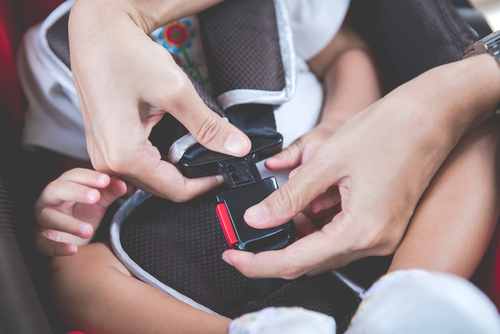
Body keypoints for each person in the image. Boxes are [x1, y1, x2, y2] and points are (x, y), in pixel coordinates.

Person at [22, 0, 500, 333]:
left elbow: (345, 53)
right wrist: (77, 204)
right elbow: (83, 170)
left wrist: (336, 123)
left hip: (338, 173)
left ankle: (411, 294)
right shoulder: (52, 53)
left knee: (478, 136)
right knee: (70, 273)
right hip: (183, 235)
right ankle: (239, 331)